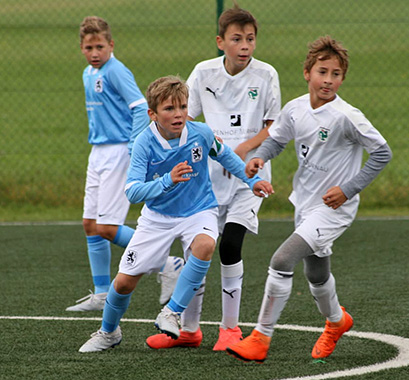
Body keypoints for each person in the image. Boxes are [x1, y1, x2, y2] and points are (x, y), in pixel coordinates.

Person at [225, 36, 392, 363]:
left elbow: (382, 153)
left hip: (334, 209)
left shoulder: (347, 116)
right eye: (322, 72)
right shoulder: (296, 108)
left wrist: (348, 189)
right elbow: (276, 140)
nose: (328, 80)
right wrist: (259, 157)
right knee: (315, 274)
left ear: (343, 79)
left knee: (282, 260)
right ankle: (337, 321)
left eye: (336, 74)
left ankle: (260, 337)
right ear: (307, 73)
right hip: (305, 203)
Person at [78, 75, 273, 352]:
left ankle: (171, 312)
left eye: (182, 106)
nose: (178, 114)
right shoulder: (144, 142)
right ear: (153, 114)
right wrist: (167, 180)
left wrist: (253, 182)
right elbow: (132, 192)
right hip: (157, 218)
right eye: (169, 109)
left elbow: (226, 155)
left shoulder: (201, 133)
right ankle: (108, 332)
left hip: (199, 210)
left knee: (205, 245)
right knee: (123, 283)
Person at [146, 3, 281, 351]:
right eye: (237, 39)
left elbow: (273, 127)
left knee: (230, 245)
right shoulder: (203, 74)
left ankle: (230, 329)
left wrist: (242, 150)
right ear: (221, 42)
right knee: (196, 251)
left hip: (249, 176)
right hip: (204, 181)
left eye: (250, 39)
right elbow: (182, 118)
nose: (245, 45)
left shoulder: (266, 75)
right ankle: (189, 329)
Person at [69, 16, 183, 312]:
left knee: (107, 227)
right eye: (89, 47)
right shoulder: (87, 73)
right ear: (81, 48)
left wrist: (133, 146)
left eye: (100, 46)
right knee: (90, 225)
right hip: (98, 152)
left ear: (111, 45)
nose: (95, 53)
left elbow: (138, 108)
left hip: (119, 151)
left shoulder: (116, 71)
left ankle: (168, 263)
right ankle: (102, 293)